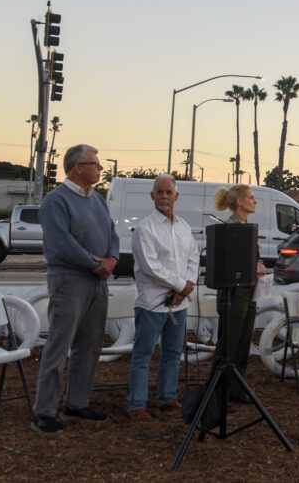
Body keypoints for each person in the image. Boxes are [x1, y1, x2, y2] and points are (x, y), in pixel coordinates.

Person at [32, 144, 119, 435]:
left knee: (90, 345)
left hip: (98, 282)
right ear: (77, 167)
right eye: (95, 164)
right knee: (59, 346)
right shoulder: (56, 200)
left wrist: (112, 259)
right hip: (69, 280)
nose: (99, 169)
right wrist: (93, 263)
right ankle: (43, 412)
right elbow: (60, 243)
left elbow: (112, 234)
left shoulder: (98, 200)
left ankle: (76, 403)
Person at [126, 174, 200, 420]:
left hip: (179, 304)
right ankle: (137, 404)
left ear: (176, 196)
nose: (164, 197)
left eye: (169, 192)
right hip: (152, 304)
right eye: (160, 192)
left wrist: (185, 289)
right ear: (152, 196)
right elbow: (150, 266)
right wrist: (180, 285)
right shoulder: (145, 228)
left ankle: (167, 398)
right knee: (142, 355)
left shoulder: (184, 227)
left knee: (172, 352)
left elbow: (193, 258)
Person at [213, 184, 267, 403]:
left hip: (249, 290)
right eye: (251, 198)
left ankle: (237, 388)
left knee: (244, 341)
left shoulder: (247, 226)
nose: (254, 201)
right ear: (239, 202)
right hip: (235, 294)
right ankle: (220, 392)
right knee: (230, 343)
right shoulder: (231, 227)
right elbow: (229, 263)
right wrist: (251, 266)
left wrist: (258, 263)